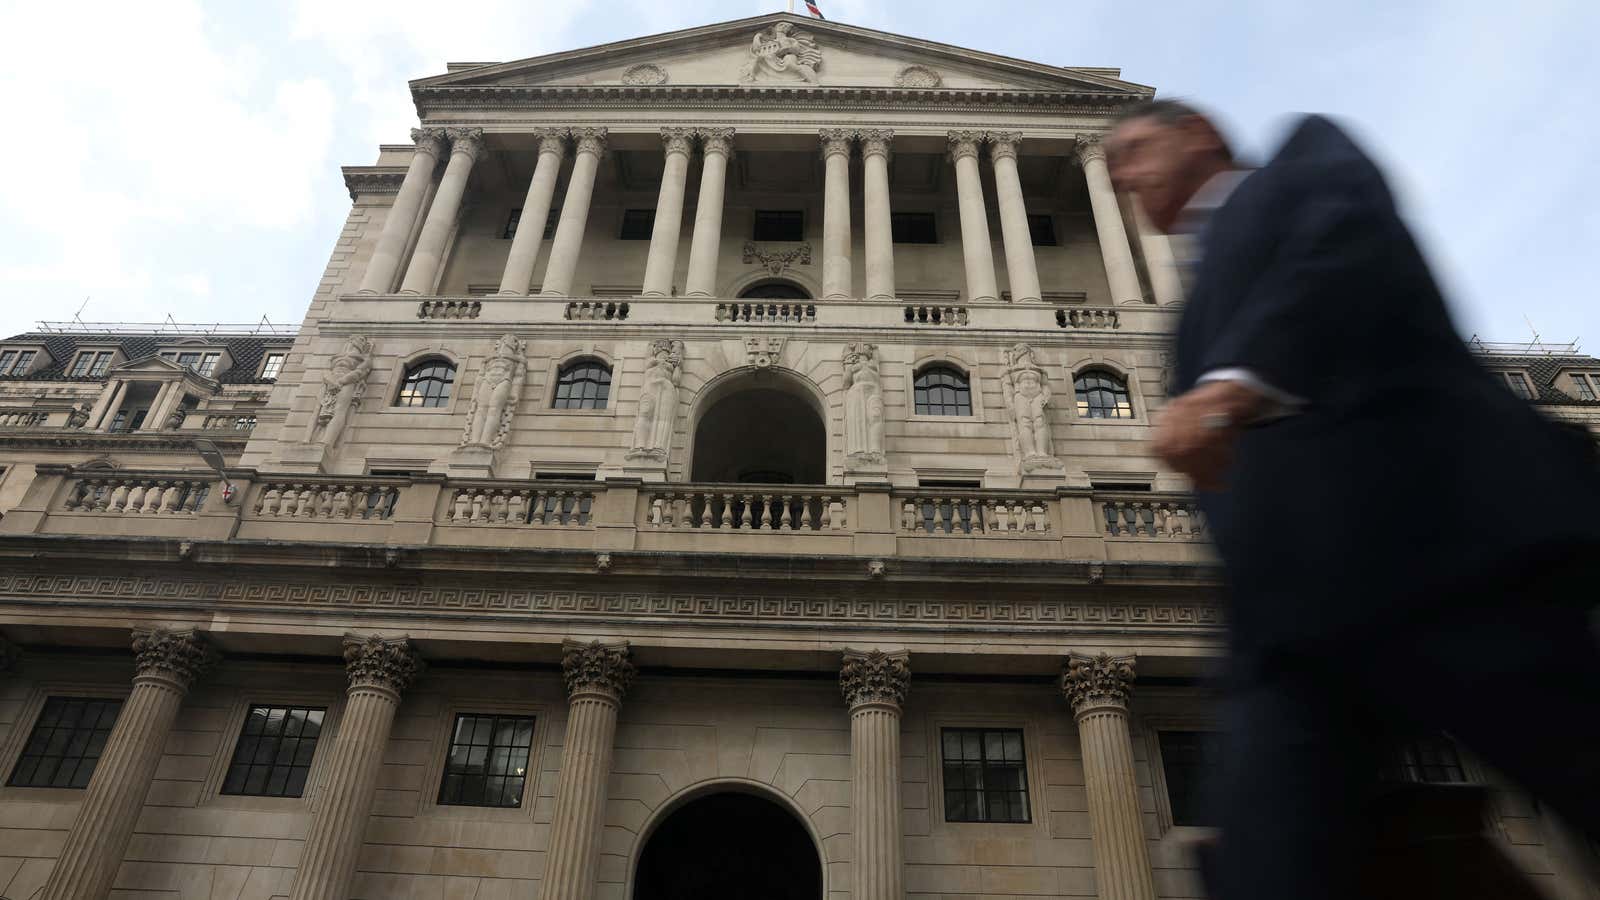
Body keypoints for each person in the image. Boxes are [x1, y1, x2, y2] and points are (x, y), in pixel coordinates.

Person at [1104, 100, 1600, 899]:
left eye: (1133, 148)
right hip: (1299, 638)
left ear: (1198, 134)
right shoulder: (1187, 323)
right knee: (1263, 863)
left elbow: (1343, 254)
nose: (1121, 173)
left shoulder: (1305, 165)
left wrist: (1234, 386)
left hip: (1453, 559)